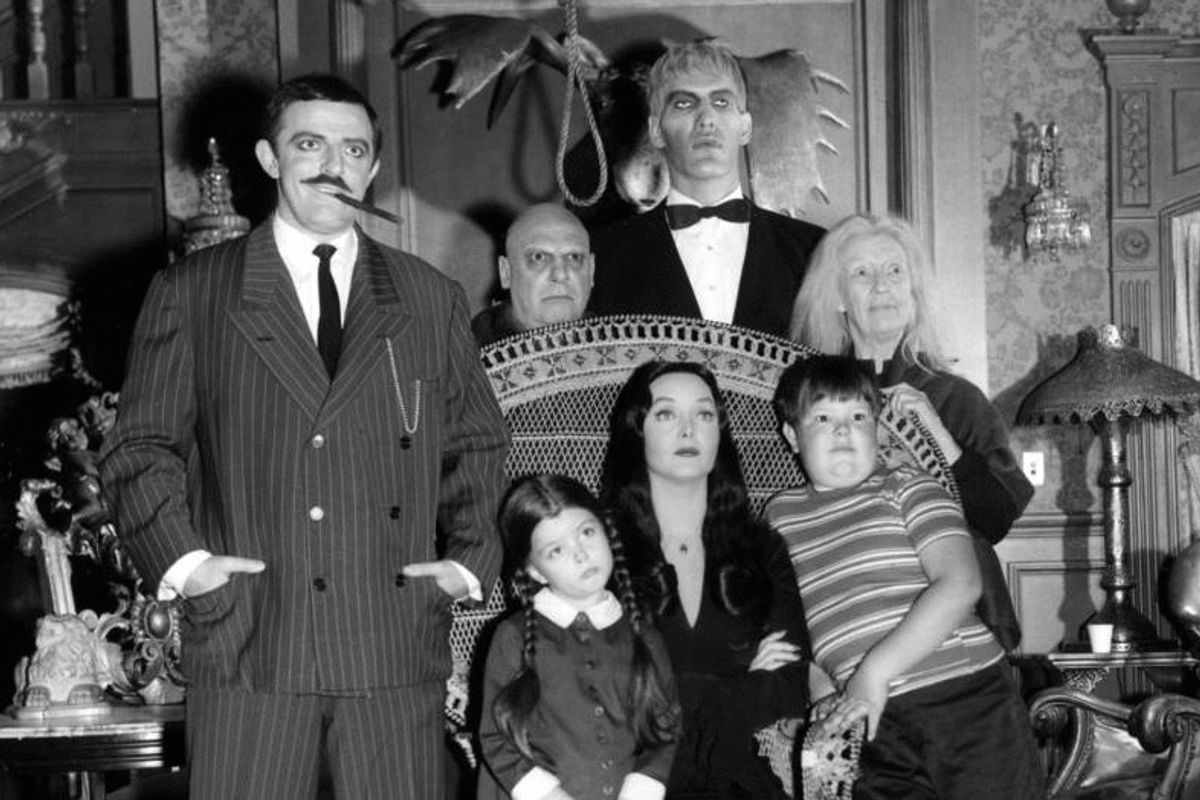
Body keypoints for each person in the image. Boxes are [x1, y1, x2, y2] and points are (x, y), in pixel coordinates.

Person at [99, 74, 510, 799]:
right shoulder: (194, 292)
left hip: (391, 638)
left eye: (354, 150)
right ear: (269, 158)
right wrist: (189, 566)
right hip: (251, 638)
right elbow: (139, 448)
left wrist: (465, 564)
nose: (333, 165)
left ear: (374, 168)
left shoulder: (427, 296)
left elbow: (475, 444)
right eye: (310, 144)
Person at [765, 355, 1044, 800]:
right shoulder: (779, 516)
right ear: (791, 436)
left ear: (877, 431)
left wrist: (873, 674)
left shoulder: (908, 485)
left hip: (964, 696)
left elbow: (960, 584)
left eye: (858, 417)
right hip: (864, 717)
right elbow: (786, 622)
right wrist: (822, 691)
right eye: (823, 418)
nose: (843, 430)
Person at [790, 213, 1033, 652]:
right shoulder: (808, 399)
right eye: (862, 273)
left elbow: (995, 520)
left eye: (895, 271)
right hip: (844, 612)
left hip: (952, 625)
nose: (882, 286)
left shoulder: (955, 397)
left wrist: (941, 438)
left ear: (914, 292)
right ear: (838, 297)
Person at [600, 360, 809, 799]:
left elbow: (787, 682)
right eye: (666, 414)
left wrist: (687, 694)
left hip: (739, 780)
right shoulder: (599, 546)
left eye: (704, 413)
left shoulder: (763, 548)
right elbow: (592, 683)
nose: (688, 429)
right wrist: (735, 686)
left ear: (720, 433)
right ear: (636, 432)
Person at [588, 40, 825, 339]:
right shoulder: (604, 256)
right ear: (656, 131)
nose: (706, 120)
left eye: (721, 102)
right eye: (684, 104)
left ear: (745, 127)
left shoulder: (814, 250)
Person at [478, 474, 681, 800]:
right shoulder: (512, 637)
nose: (581, 555)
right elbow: (493, 736)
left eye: (587, 533)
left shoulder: (645, 636)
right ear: (535, 570)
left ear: (606, 531)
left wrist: (640, 789)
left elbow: (667, 727)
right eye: (556, 551)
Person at [472, 203, 595, 346]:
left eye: (574, 257)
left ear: (591, 270)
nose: (560, 274)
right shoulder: (463, 353)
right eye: (538, 257)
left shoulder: (615, 344)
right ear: (506, 272)